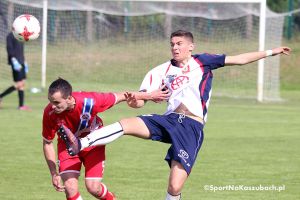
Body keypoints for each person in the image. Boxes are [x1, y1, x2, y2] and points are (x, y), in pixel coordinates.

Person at [60, 30, 291, 200]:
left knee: (174, 187)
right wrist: (134, 101)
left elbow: (239, 59)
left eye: (179, 44)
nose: (175, 48)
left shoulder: (203, 62)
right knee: (126, 124)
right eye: (172, 44)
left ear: (190, 46)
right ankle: (80, 143)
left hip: (191, 127)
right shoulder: (159, 71)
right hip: (169, 120)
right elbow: (139, 102)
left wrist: (272, 52)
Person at [42, 78, 168, 200]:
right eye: (50, 101)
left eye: (57, 103)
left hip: (93, 144)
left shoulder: (89, 101)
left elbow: (123, 96)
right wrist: (54, 173)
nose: (52, 106)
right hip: (68, 147)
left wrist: (150, 95)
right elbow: (47, 143)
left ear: (69, 98)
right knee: (70, 188)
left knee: (93, 188)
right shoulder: (49, 113)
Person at [0, 31, 30, 110]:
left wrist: (25, 61)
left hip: (22, 61)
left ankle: (21, 106)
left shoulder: (20, 36)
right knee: (19, 84)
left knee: (22, 84)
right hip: (16, 62)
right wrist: (13, 60)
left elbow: (21, 50)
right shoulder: (10, 36)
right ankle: (0, 96)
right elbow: (9, 49)